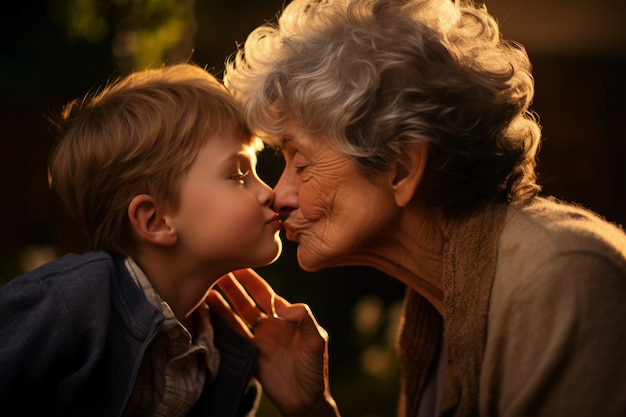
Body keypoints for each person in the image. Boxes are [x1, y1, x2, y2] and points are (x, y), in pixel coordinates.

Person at [211, 0, 626, 416]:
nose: (279, 194)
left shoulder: (561, 282)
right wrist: (312, 410)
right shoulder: (439, 312)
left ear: (402, 168)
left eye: (300, 163)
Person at [0, 62, 319, 417]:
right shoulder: (71, 305)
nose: (270, 193)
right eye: (237, 174)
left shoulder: (232, 353)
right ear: (155, 220)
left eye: (255, 171)